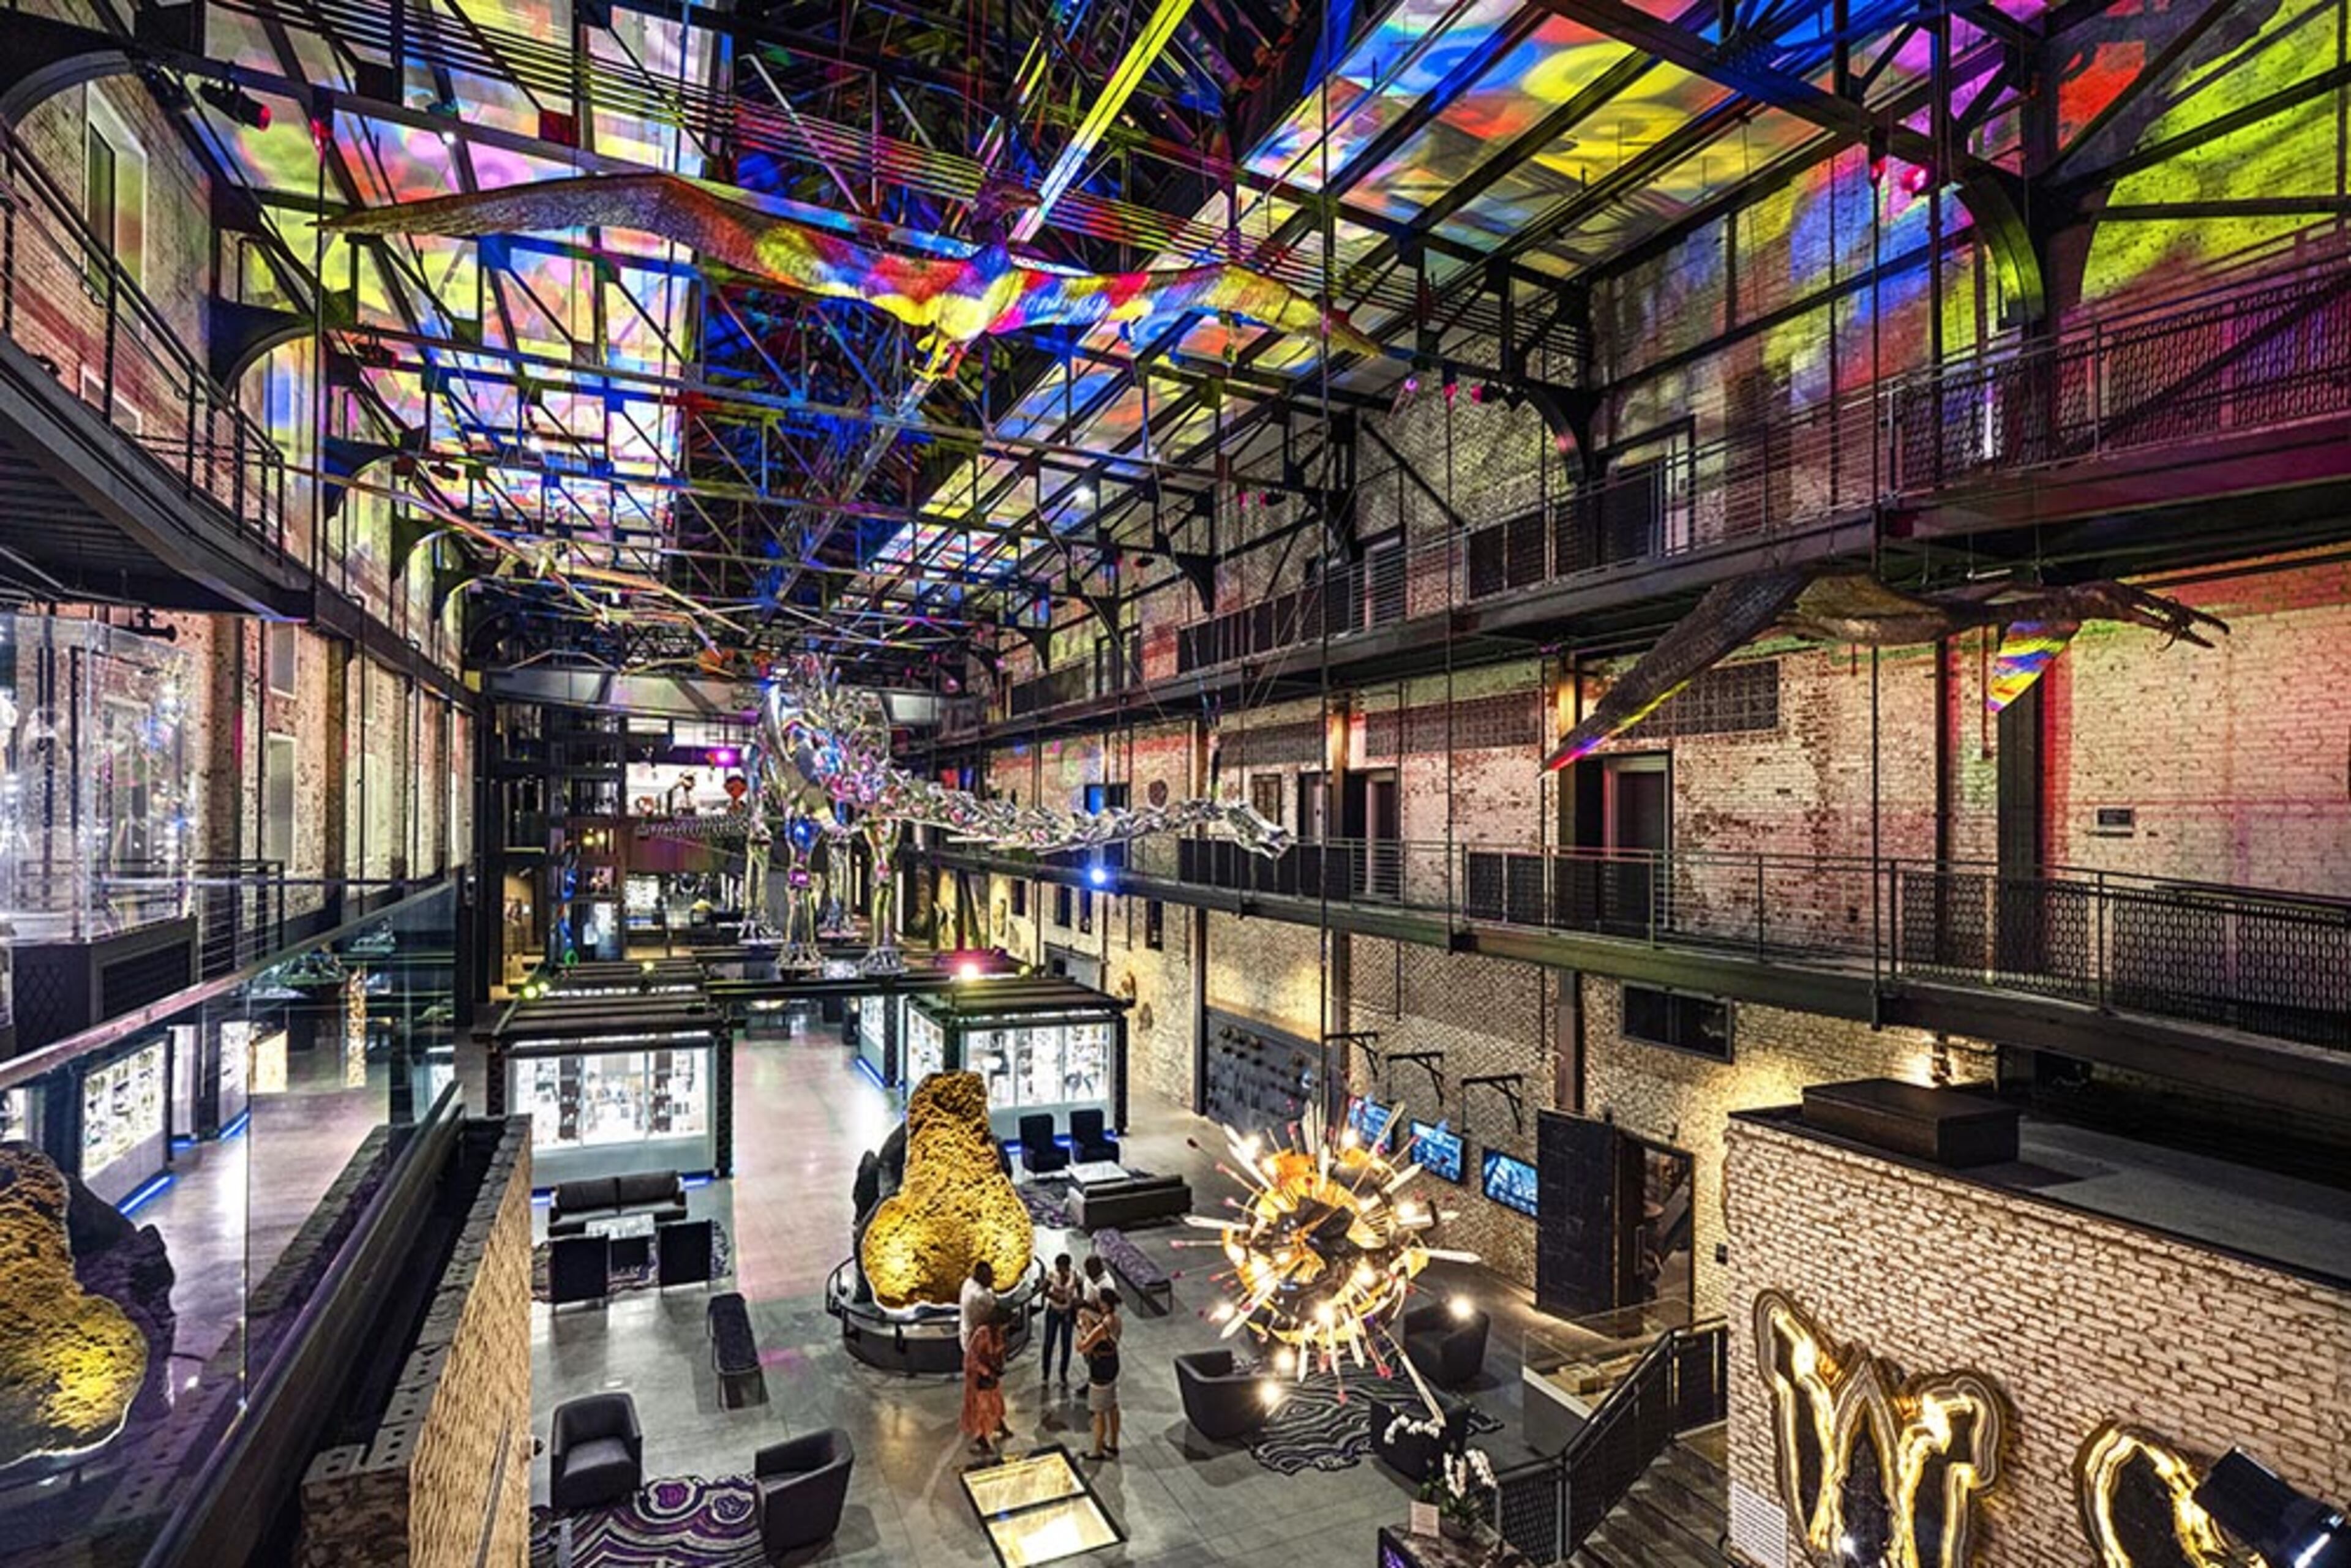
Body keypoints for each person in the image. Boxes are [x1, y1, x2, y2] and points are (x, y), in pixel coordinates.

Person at [1076, 1287, 1123, 1460]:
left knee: (1098, 1411)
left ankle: (1097, 1450)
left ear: (1103, 1303)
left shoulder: (1103, 1327)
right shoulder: (1116, 1319)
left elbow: (1082, 1347)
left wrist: (1082, 1327)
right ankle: (1113, 1444)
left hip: (1100, 1368)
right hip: (1113, 1363)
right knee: (1112, 1405)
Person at [961, 1305, 1012, 1456]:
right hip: (977, 1376)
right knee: (981, 1408)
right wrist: (986, 1371)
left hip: (991, 1373)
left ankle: (998, 1425)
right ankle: (981, 1438)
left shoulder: (998, 1333)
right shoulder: (982, 1334)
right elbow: (971, 1359)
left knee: (995, 1401)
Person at [1040, 1253, 1080, 1389]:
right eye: (1059, 1267)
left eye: (1064, 1267)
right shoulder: (1052, 1275)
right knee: (1049, 1342)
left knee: (1066, 1344)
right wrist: (1056, 1298)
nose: (1062, 1270)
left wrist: (1076, 1302)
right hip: (1054, 1311)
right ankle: (1046, 1373)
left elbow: (1079, 1289)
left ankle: (1063, 1373)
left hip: (1067, 1313)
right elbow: (1043, 1290)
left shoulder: (1075, 1274)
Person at [959, 1258, 998, 1354]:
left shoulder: (968, 1284)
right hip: (977, 1340)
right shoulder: (981, 1296)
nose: (992, 1278)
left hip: (965, 1334)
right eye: (989, 1276)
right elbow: (996, 1311)